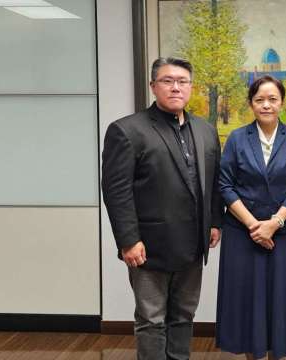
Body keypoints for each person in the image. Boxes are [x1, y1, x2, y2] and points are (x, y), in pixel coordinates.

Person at [102, 57, 223, 360]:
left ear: (191, 87)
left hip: (193, 245)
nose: (175, 87)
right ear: (154, 86)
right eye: (167, 81)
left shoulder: (206, 130)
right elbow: (116, 192)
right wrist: (128, 240)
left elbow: (214, 183)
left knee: (184, 316)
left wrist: (215, 223)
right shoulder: (127, 130)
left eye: (182, 81)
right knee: (152, 320)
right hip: (148, 246)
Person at [215, 75, 286, 360]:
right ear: (251, 103)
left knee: (279, 303)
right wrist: (254, 226)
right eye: (259, 100)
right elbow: (225, 185)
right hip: (242, 235)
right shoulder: (236, 138)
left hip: (282, 234)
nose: (266, 105)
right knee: (247, 304)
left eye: (272, 99)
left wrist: (274, 224)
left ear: (282, 102)